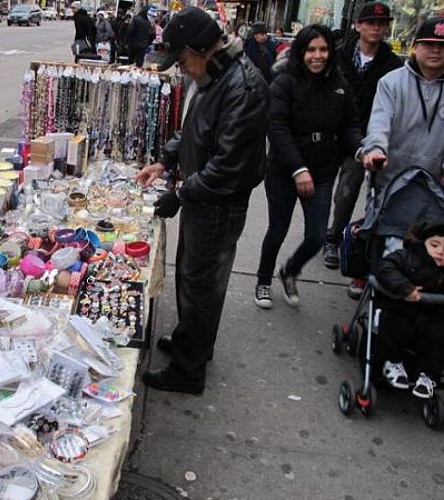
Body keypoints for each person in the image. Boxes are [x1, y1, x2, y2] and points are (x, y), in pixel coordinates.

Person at [135, 8, 269, 394]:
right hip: (202, 197)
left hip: (219, 204)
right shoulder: (214, 75)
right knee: (192, 279)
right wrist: (165, 160)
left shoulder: (242, 86)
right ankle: (190, 343)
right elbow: (192, 127)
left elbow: (228, 167)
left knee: (202, 285)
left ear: (200, 49)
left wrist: (180, 194)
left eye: (181, 59)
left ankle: (188, 371)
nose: (181, 68)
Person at [254, 24, 362, 309]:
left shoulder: (340, 85)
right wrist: (297, 168)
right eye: (311, 49)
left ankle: (290, 271)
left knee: (316, 236)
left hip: (323, 172)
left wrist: (361, 149)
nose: (318, 56)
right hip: (283, 171)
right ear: (301, 52)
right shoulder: (284, 82)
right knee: (277, 230)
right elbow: (276, 128)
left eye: (323, 49)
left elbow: (350, 125)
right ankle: (263, 280)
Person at [323, 2, 402, 295]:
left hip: (367, 140)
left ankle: (334, 238)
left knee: (348, 192)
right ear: (358, 26)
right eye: (370, 23)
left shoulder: (392, 65)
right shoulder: (339, 56)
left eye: (381, 24)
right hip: (330, 134)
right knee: (320, 189)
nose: (376, 29)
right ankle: (318, 234)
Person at [359, 18, 444, 214]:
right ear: (415, 46)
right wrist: (376, 150)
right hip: (389, 183)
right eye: (429, 44)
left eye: (441, 45)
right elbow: (380, 123)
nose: (436, 51)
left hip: (432, 188)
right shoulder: (391, 83)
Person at [376, 220, 444, 399]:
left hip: (433, 315)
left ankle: (429, 375)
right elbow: (385, 267)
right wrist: (405, 287)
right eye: (435, 245)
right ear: (423, 243)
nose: (441, 252)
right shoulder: (408, 256)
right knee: (395, 325)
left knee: (437, 335)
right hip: (402, 308)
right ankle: (393, 362)